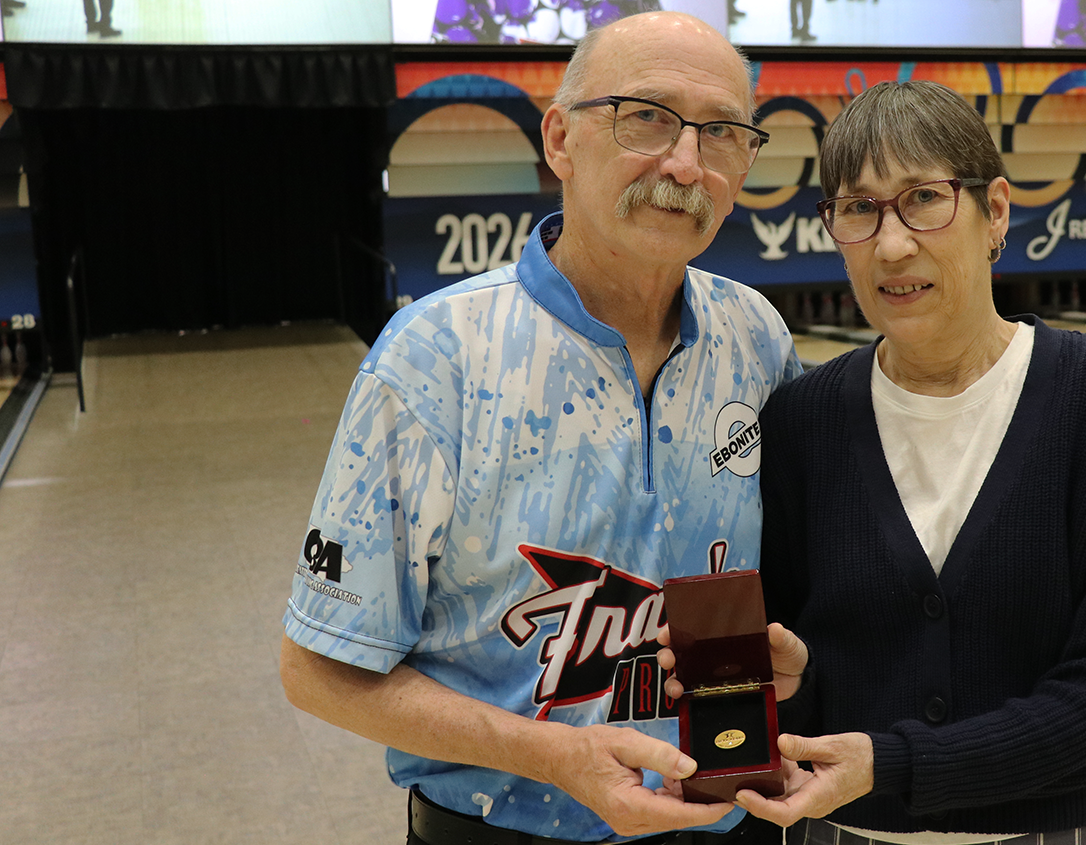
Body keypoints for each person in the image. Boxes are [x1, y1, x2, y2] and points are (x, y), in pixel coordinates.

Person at [278, 11, 801, 845]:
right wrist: (554, 755)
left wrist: (793, 659)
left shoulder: (758, 340)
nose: (685, 163)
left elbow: (791, 585)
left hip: (728, 823)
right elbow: (319, 669)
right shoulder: (436, 356)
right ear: (561, 139)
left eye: (723, 133)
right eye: (647, 118)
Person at [666, 80, 1086, 845]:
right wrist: (795, 685)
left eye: (924, 199)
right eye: (859, 209)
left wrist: (895, 763)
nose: (892, 242)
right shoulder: (802, 420)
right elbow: (805, 706)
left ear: (994, 211)